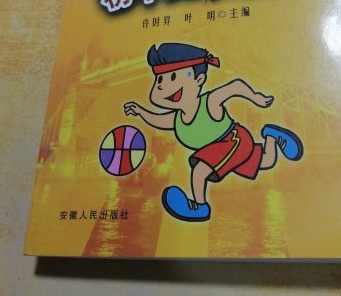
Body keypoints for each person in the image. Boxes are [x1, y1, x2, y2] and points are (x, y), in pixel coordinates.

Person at [124, 42, 303, 222]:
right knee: (266, 161)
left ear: (199, 80)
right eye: (159, 80)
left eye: (173, 77)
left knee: (199, 170)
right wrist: (140, 112)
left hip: (232, 141)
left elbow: (235, 86)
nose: (163, 86)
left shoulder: (209, 103)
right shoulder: (176, 119)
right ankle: (272, 136)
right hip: (219, 149)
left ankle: (199, 207)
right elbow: (157, 120)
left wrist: (255, 97)